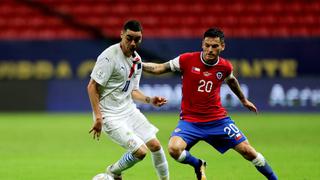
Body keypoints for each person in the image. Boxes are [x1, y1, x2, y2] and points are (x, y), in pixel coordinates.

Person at [142, 28, 278, 180]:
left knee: (248, 151)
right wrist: (138, 64)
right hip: (190, 122)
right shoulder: (186, 60)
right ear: (202, 44)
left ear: (222, 46)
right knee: (174, 149)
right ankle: (198, 164)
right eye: (207, 45)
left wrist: (243, 100)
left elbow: (231, 80)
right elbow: (159, 68)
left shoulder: (225, 67)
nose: (210, 50)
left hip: (218, 121)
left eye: (214, 46)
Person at [87, 20, 169, 180]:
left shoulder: (136, 60)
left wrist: (150, 99)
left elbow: (132, 91)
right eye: (129, 38)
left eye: (137, 39)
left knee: (156, 146)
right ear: (121, 35)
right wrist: (98, 117)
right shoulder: (109, 57)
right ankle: (114, 171)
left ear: (141, 39)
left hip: (128, 110)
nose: (133, 43)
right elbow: (92, 86)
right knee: (140, 151)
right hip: (109, 115)